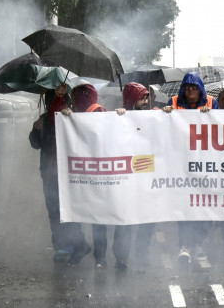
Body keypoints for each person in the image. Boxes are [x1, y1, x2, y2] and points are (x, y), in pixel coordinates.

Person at [62, 83, 128, 269]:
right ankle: (110, 258)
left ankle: (107, 258)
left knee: (103, 218)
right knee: (103, 218)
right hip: (102, 174)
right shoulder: (84, 114)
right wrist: (67, 118)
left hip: (103, 174)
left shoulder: (98, 113)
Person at [29, 83, 90, 264]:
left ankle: (78, 244)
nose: (59, 97)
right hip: (49, 172)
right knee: (54, 211)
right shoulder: (44, 119)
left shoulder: (71, 116)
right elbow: (35, 144)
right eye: (55, 95)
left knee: (69, 210)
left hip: (68, 172)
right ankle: (62, 247)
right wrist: (36, 129)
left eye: (62, 94)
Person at [164, 72, 218, 267]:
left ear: (200, 89)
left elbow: (221, 127)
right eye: (187, 87)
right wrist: (167, 113)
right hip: (182, 165)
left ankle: (198, 242)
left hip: (206, 164)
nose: (190, 91)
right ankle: (185, 244)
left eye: (194, 87)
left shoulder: (212, 102)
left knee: (206, 209)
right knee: (185, 208)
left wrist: (210, 116)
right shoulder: (174, 101)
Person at [112, 83, 157, 269]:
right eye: (141, 98)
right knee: (125, 219)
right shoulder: (119, 117)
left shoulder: (154, 115)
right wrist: (118, 118)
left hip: (147, 176)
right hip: (128, 178)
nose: (145, 101)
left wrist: (167, 113)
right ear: (131, 99)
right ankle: (121, 257)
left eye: (147, 97)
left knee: (147, 219)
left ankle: (142, 254)